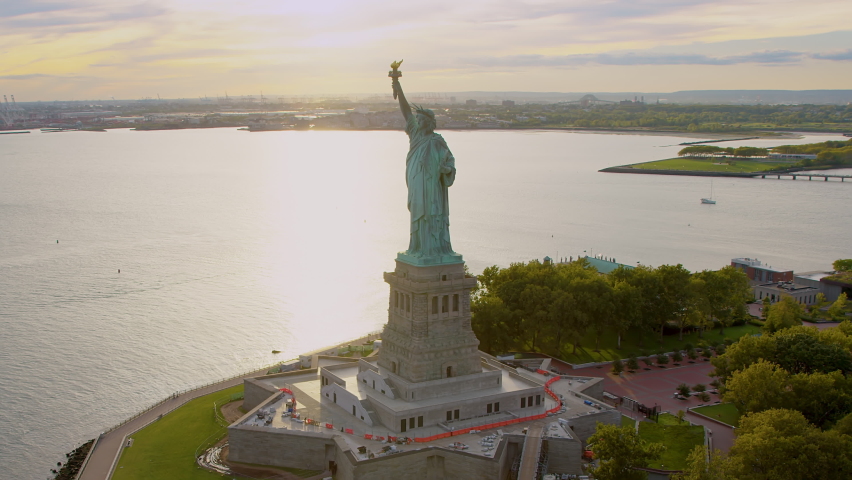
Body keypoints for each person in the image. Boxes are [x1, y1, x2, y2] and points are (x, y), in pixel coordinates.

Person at [392, 76, 456, 258]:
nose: (417, 122)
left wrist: (446, 170)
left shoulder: (437, 141)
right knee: (417, 214)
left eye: (421, 120)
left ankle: (432, 249)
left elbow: (449, 162)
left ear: (428, 123)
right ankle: (418, 248)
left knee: (430, 215)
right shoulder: (416, 136)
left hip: (432, 187)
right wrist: (398, 86)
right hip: (416, 183)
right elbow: (406, 113)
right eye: (417, 120)